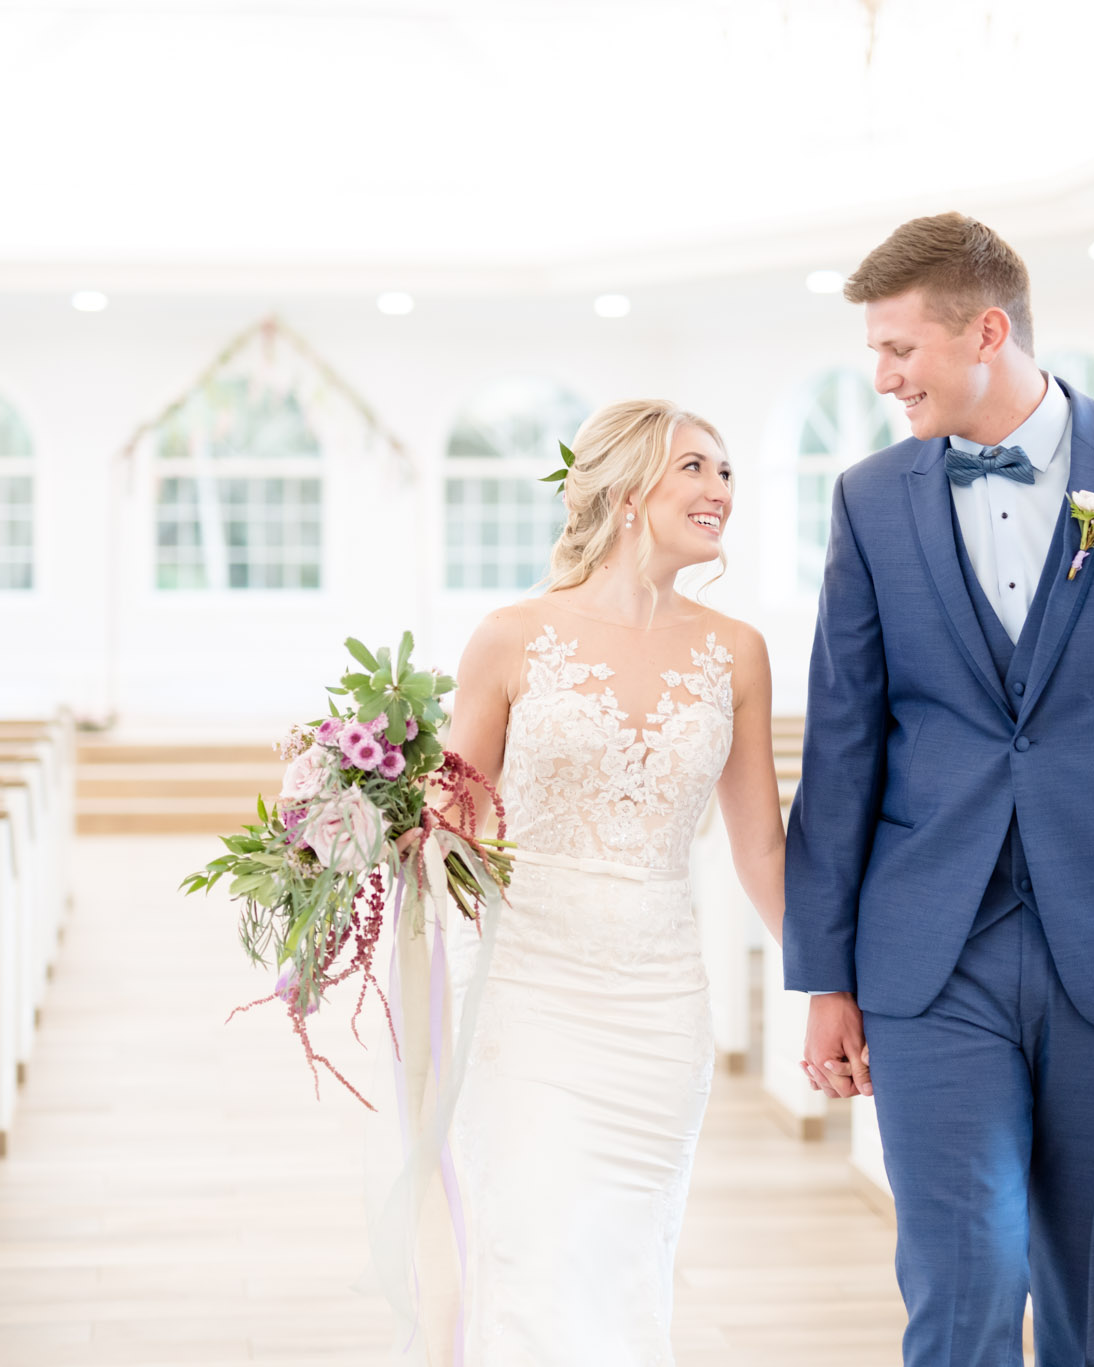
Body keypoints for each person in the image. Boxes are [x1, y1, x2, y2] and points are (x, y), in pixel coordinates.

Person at [784, 212, 1094, 1366]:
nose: (880, 379)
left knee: (1091, 1281)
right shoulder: (870, 499)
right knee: (963, 1272)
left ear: (985, 330)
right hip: (930, 946)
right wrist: (822, 973)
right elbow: (842, 744)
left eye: (897, 349)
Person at [435, 398, 786, 1365]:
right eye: (697, 469)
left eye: (726, 473)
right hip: (528, 988)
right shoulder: (511, 637)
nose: (720, 490)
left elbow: (762, 848)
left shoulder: (736, 652)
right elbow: (453, 819)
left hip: (659, 1001)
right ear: (629, 486)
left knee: (627, 1262)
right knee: (536, 1253)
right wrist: (377, 812)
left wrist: (830, 989)